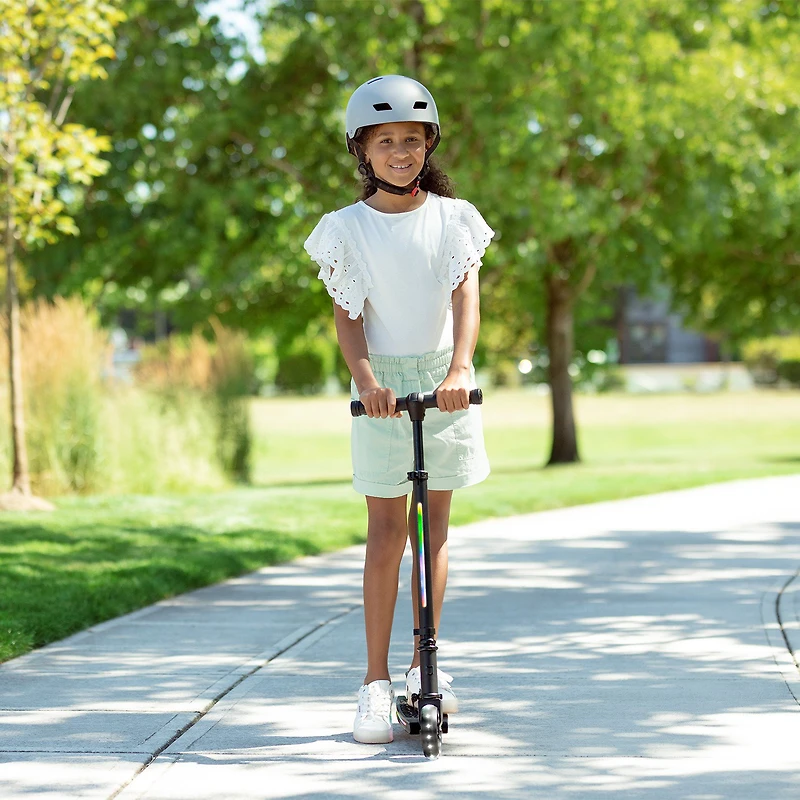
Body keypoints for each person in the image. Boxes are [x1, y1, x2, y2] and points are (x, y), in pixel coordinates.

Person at [304, 75, 494, 745]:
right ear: (364, 150)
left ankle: (424, 669)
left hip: (444, 379)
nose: (400, 153)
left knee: (433, 530)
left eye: (411, 141)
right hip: (382, 390)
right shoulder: (346, 230)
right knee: (386, 532)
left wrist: (461, 367)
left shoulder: (454, 218)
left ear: (428, 144)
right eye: (386, 142)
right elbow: (349, 319)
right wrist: (365, 382)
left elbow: (464, 299)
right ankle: (374, 684)